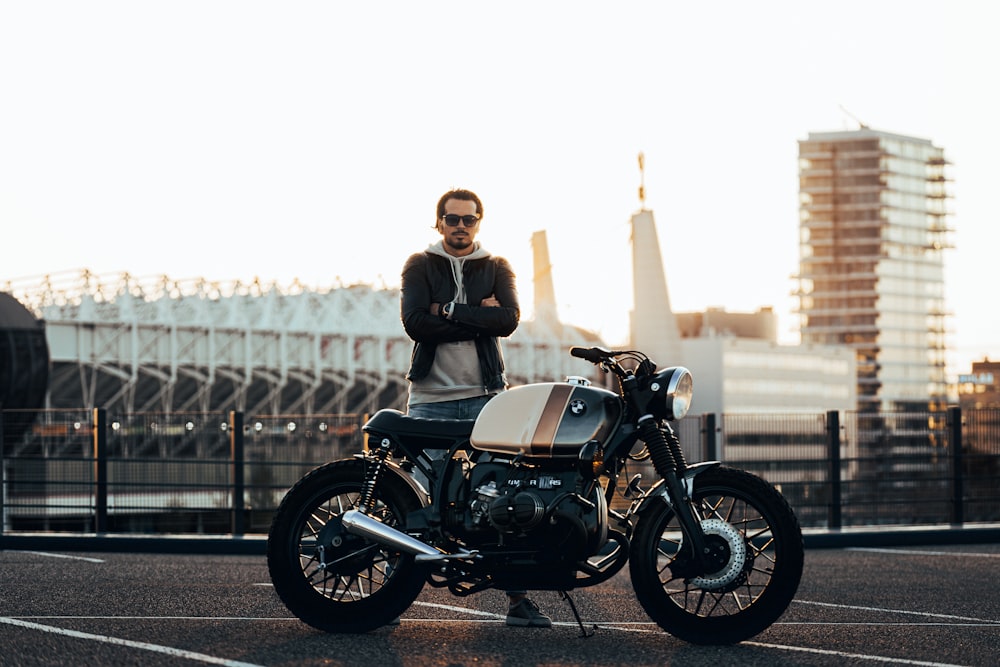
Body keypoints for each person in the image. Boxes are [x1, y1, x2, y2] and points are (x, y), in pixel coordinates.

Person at [399, 187, 552, 629]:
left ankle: (517, 601)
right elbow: (415, 325)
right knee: (418, 500)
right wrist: (475, 316)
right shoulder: (420, 264)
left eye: (468, 219)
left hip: (487, 398)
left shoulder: (497, 267)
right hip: (430, 401)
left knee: (497, 499)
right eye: (452, 219)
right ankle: (390, 589)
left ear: (479, 222)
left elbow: (508, 320)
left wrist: (445, 310)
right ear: (439, 222)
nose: (460, 227)